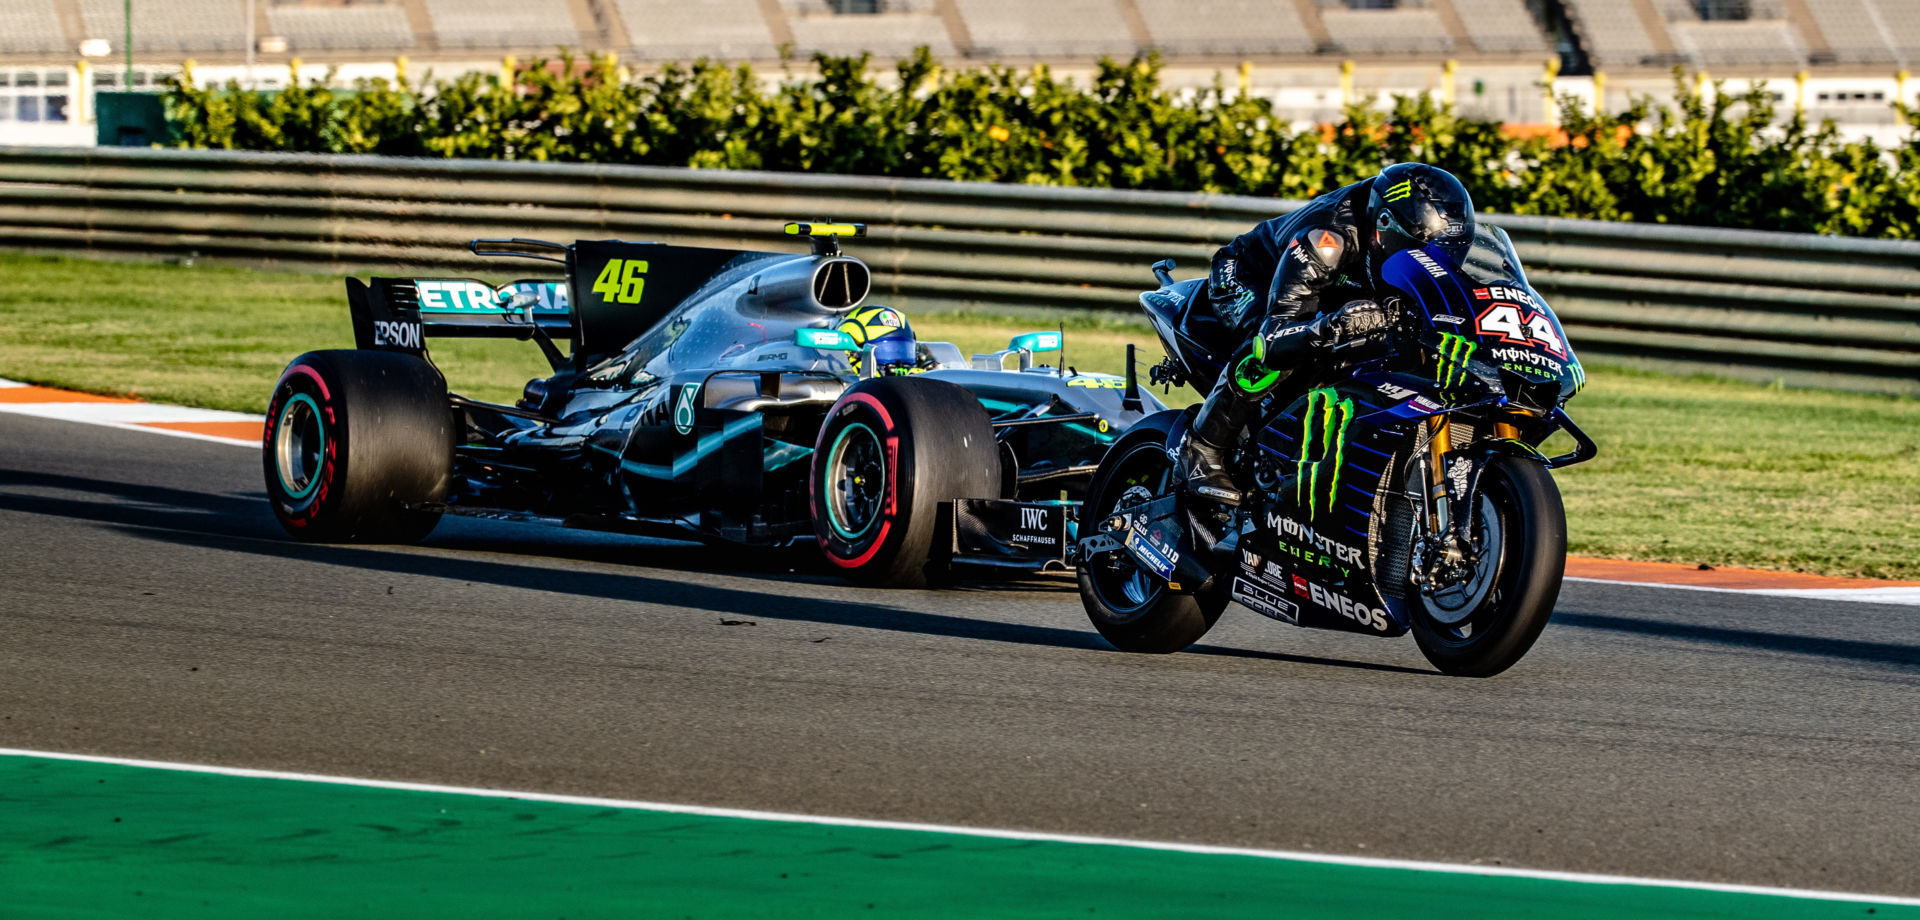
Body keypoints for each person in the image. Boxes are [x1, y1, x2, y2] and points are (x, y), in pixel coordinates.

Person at [1178, 162, 1477, 506]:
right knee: (1281, 351)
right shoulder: (1328, 238)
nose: (1432, 260)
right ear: (1383, 227)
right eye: (1422, 250)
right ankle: (1201, 449)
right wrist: (1331, 326)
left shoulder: (1413, 245)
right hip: (1249, 276)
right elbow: (1275, 333)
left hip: (1336, 291)